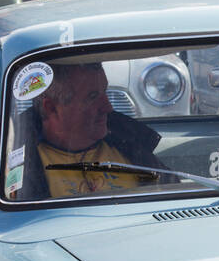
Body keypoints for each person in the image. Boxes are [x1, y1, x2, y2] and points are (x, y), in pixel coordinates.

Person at [17, 61, 163, 200]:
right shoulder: (17, 160)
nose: (108, 107)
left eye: (104, 92)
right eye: (92, 97)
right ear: (52, 108)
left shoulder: (129, 142)